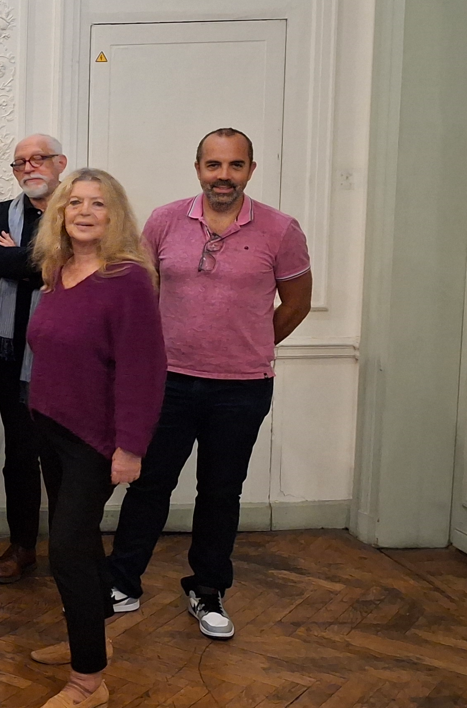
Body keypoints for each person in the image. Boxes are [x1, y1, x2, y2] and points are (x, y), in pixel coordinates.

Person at [107, 128, 313, 639]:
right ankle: (122, 583)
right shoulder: (164, 220)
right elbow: (140, 291)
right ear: (198, 168)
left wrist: (253, 344)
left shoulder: (281, 229)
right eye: (214, 165)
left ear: (250, 170)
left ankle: (208, 590)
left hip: (241, 388)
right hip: (168, 381)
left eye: (235, 165)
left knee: (220, 491)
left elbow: (298, 303)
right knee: (149, 483)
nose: (224, 176)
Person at [24, 169, 166, 708]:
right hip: (52, 427)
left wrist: (130, 448)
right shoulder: (57, 270)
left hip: (96, 440)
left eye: (97, 204)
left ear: (115, 216)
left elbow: (143, 371)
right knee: (77, 548)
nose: (84, 211)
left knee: (68, 548)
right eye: (74, 202)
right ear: (59, 212)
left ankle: (88, 682)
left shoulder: (128, 278)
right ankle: (88, 635)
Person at [0, 134, 68, 583]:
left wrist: (23, 255)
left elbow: (73, 262)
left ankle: (68, 549)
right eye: (20, 163)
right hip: (14, 350)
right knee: (20, 451)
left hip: (67, 354)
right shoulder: (3, 213)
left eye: (38, 159)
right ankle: (22, 546)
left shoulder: (79, 209)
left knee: (62, 452)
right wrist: (42, 259)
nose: (29, 167)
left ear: (61, 163)